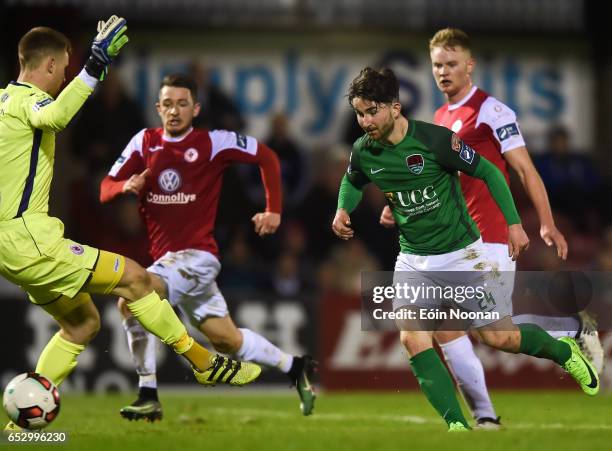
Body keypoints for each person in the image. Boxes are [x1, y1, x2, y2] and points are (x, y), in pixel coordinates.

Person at [0, 19, 260, 431]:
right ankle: (204, 362)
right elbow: (55, 118)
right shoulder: (26, 102)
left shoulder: (2, 102)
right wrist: (93, 67)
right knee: (136, 280)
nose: (66, 76)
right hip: (31, 240)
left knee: (82, 323)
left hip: (10, 246)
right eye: (65, 69)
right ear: (49, 64)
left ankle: (20, 426)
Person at [332, 67, 599, 431]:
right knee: (412, 337)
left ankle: (563, 350)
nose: (365, 121)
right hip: (413, 259)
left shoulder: (435, 141)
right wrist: (343, 208)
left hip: (462, 254)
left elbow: (489, 172)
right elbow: (353, 181)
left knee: (499, 337)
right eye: (359, 113)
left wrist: (516, 225)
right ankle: (458, 428)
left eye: (371, 111)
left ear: (395, 107)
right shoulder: (365, 150)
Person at [99, 74, 316, 422]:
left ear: (196, 108)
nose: (174, 110)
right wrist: (126, 184)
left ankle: (147, 393)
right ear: (157, 108)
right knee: (227, 341)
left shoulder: (213, 142)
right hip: (169, 264)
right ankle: (295, 366)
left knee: (131, 298)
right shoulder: (143, 143)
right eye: (167, 104)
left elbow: (268, 157)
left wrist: (273, 209)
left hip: (198, 257)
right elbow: (105, 188)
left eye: (182, 103)